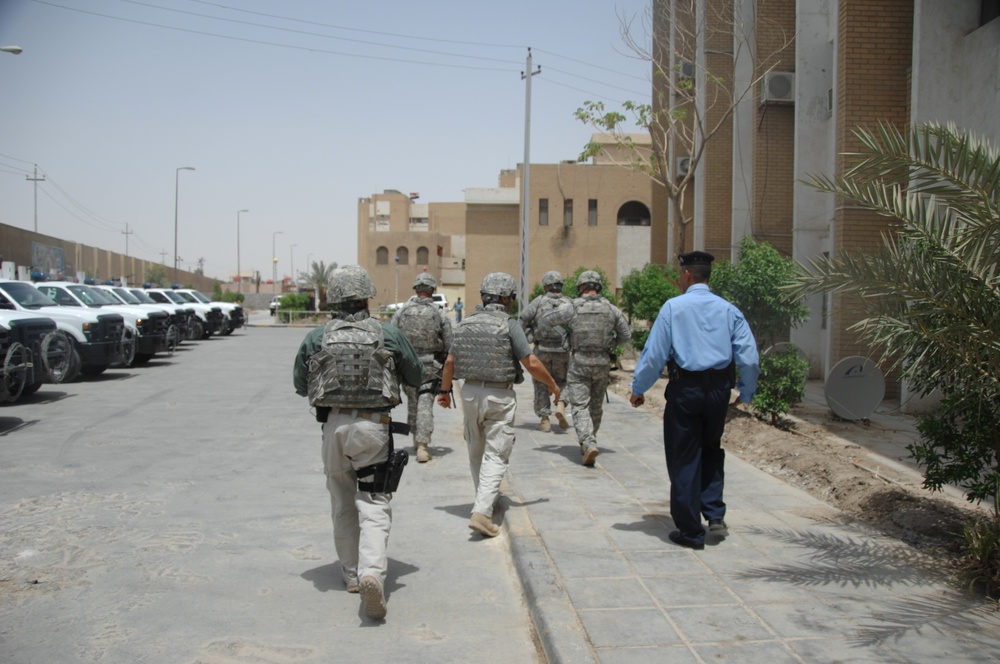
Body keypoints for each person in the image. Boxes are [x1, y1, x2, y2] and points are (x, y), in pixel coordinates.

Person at [293, 265, 422, 620]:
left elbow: (300, 383)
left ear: (334, 299)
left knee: (341, 501)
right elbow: (415, 374)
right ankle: (371, 573)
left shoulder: (317, 337)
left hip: (333, 426)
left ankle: (351, 575)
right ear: (367, 296)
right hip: (374, 427)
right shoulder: (388, 333)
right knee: (375, 502)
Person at [629, 251, 760, 550]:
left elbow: (654, 355)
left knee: (684, 455)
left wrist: (638, 389)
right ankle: (714, 514)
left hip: (685, 389)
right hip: (718, 391)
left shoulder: (673, 308)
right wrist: (746, 391)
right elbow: (749, 358)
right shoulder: (729, 310)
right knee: (711, 448)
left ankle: (690, 531)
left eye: (680, 272)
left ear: (687, 275)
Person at [436, 272, 560, 538]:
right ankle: (481, 512)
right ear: (505, 298)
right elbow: (531, 362)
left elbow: (449, 363)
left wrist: (445, 391)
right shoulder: (509, 324)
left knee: (475, 451)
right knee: (496, 454)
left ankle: (485, 501)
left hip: (469, 393)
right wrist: (552, 384)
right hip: (499, 395)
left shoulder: (466, 323)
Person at [546, 270, 630, 466]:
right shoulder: (611, 309)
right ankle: (590, 440)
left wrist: (566, 333)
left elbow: (548, 320)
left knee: (580, 405)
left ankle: (588, 441)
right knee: (596, 406)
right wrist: (611, 345)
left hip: (579, 362)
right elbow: (625, 335)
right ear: (598, 287)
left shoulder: (572, 307)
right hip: (602, 363)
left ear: (582, 287)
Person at [391, 272, 453, 463]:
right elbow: (450, 344)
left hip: (407, 365)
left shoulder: (401, 312)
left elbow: (392, 338)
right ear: (433, 290)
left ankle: (416, 439)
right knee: (425, 403)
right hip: (430, 366)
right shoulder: (440, 313)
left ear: (416, 289)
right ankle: (423, 445)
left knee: (413, 401)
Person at [519, 270, 572, 432]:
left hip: (542, 350)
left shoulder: (539, 301)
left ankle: (544, 420)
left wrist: (525, 339)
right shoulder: (569, 302)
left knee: (541, 381)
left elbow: (522, 319)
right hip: (562, 350)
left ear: (546, 286)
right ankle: (561, 405)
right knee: (563, 381)